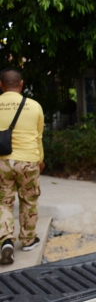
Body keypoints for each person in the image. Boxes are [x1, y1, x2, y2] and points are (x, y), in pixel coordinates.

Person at [0, 68, 45, 264]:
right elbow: (39, 137)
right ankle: (28, 240)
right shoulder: (34, 106)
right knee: (29, 199)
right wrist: (40, 160)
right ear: (21, 84)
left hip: (2, 161)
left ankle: (5, 239)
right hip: (28, 160)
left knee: (3, 201)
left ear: (1, 85)